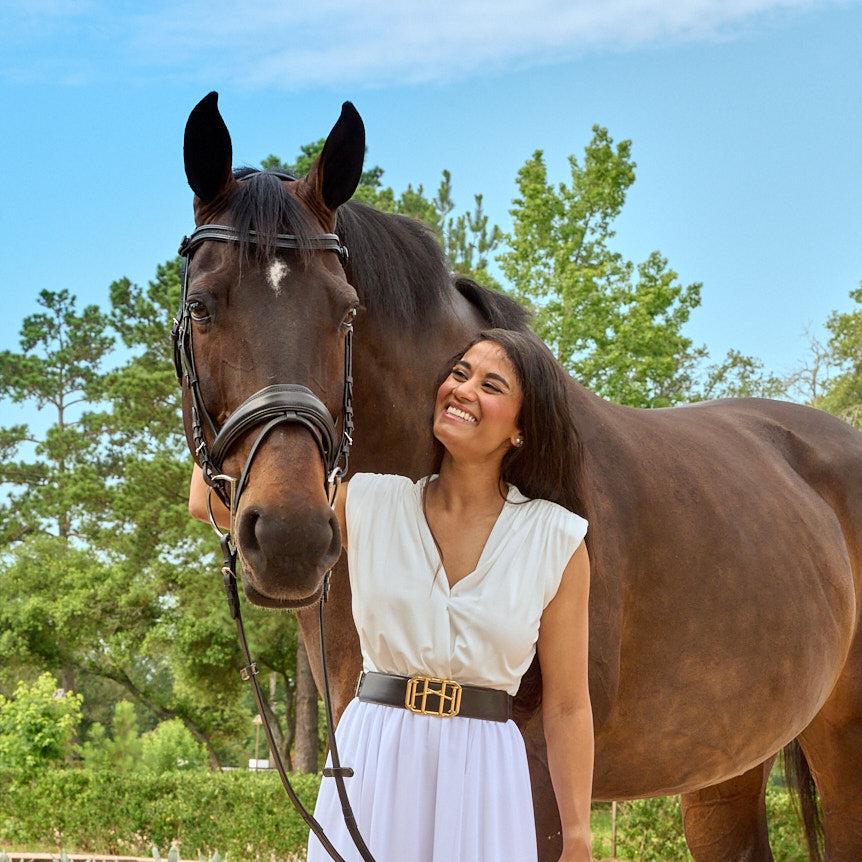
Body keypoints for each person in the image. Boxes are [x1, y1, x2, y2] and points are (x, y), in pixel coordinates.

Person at [189, 327, 593, 862]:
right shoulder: (369, 502)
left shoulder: (557, 539)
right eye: (459, 373)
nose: (464, 389)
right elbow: (210, 503)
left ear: (521, 429)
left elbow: (567, 706)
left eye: (492, 385)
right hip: (375, 751)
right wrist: (233, 377)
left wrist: (578, 838)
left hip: (485, 769)